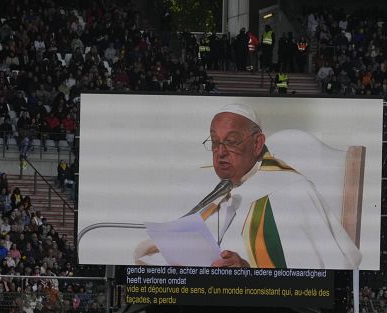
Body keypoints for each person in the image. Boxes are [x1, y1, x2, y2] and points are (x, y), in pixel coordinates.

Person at [134, 103, 362, 270]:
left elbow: (324, 273)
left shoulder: (293, 190)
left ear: (257, 144)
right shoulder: (197, 185)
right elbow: (155, 252)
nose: (220, 152)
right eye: (215, 142)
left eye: (231, 142)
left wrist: (248, 272)